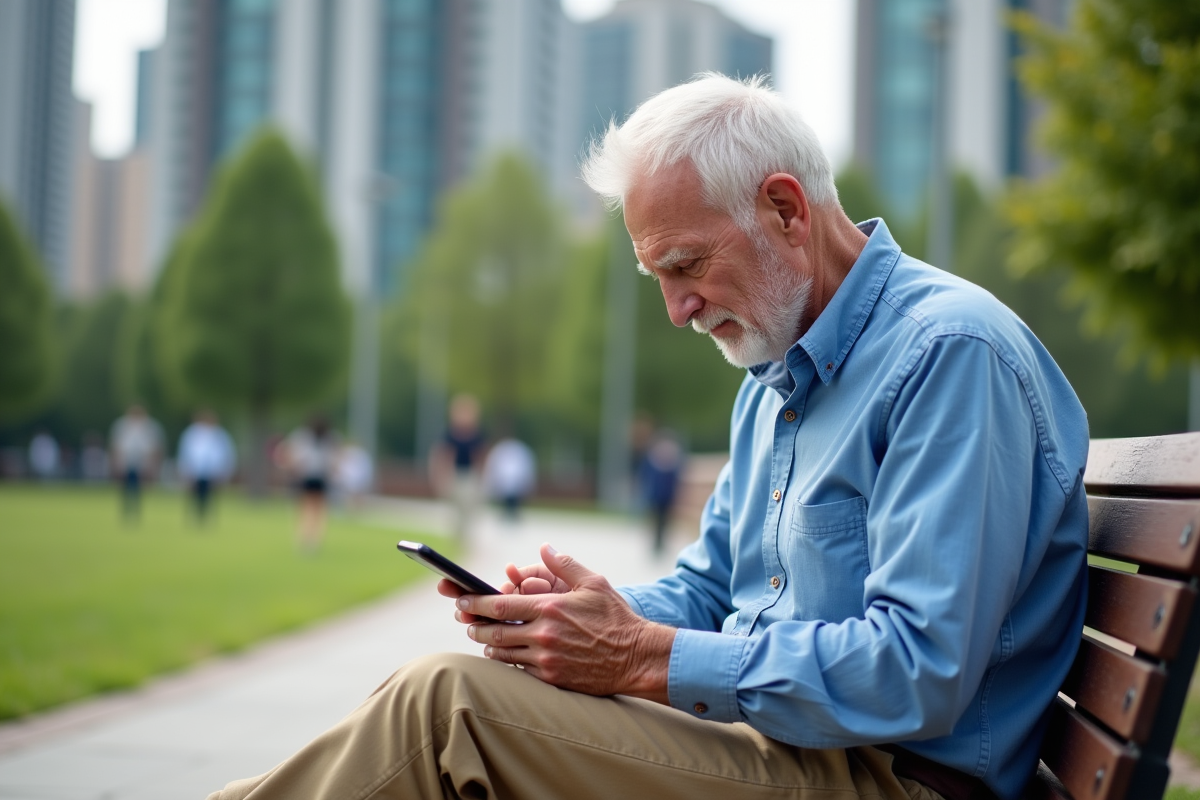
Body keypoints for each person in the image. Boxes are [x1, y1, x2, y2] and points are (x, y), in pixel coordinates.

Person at [207, 74, 1089, 800]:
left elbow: (916, 670)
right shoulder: (777, 376)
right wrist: (583, 622)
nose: (676, 311)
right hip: (792, 753)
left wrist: (639, 656)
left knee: (448, 711)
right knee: (469, 693)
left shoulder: (947, 357)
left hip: (895, 781)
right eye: (655, 275)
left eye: (686, 265)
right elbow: (712, 592)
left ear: (786, 210)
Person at [274, 416, 340, 551]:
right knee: (312, 511)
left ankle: (310, 540)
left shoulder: (319, 438)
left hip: (316, 478)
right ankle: (309, 540)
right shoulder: (307, 438)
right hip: (310, 478)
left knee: (311, 511)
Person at [430, 394, 486, 539]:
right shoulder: (450, 434)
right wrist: (442, 476)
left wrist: (481, 477)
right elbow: (444, 455)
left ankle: (467, 536)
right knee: (455, 509)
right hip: (455, 473)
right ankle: (457, 535)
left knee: (469, 507)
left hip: (469, 474)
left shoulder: (476, 434)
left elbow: (479, 456)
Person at [177, 410, 237, 524]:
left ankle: (206, 518)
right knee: (194, 495)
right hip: (195, 470)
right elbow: (186, 452)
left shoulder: (220, 435)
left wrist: (224, 471)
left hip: (212, 471)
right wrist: (185, 469)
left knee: (209, 496)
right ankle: (194, 517)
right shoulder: (192, 433)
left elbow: (226, 454)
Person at [109, 405, 164, 521]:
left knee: (139, 488)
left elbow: (155, 448)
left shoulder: (151, 427)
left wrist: (153, 466)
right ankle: (126, 510)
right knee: (125, 488)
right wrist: (116, 464)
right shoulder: (122, 425)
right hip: (126, 462)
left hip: (143, 463)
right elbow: (116, 447)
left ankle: (136, 511)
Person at [638, 430, 684, 555]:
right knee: (655, 520)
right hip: (656, 496)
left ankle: (661, 542)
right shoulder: (655, 460)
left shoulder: (670, 462)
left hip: (666, 496)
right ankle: (655, 542)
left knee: (664, 521)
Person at [483, 435, 537, 521]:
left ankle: (512, 514)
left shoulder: (518, 449)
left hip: (515, 481)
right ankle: (508, 514)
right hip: (504, 481)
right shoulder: (501, 449)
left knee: (513, 500)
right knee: (506, 500)